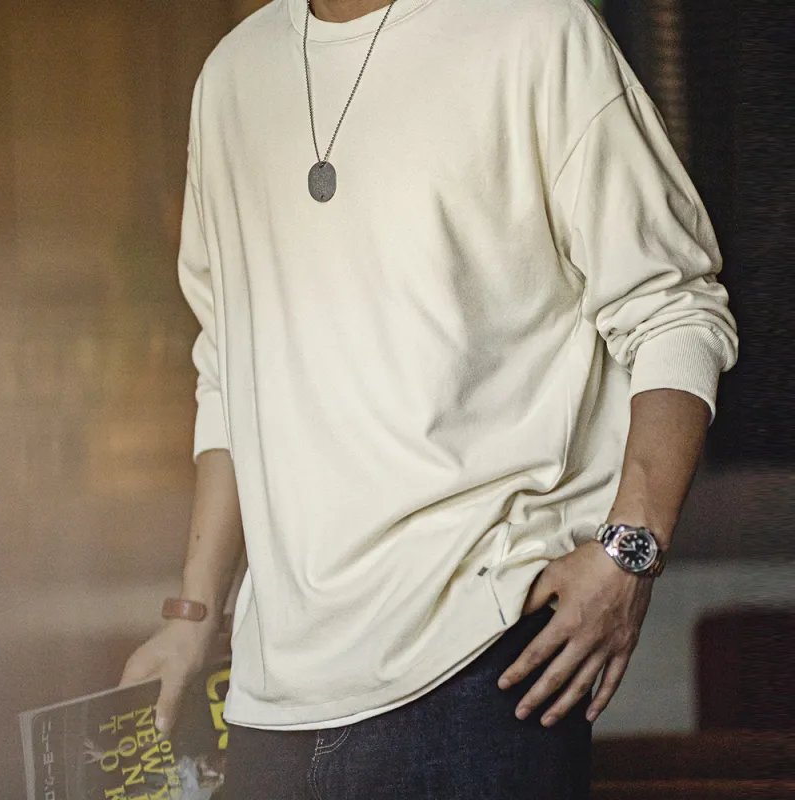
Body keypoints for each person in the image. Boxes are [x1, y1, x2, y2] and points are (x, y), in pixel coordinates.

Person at [120, 0, 739, 797]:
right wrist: (194, 616)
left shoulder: (535, 32)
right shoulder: (232, 77)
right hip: (272, 693)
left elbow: (675, 307)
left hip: (484, 664)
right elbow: (230, 371)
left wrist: (630, 555)